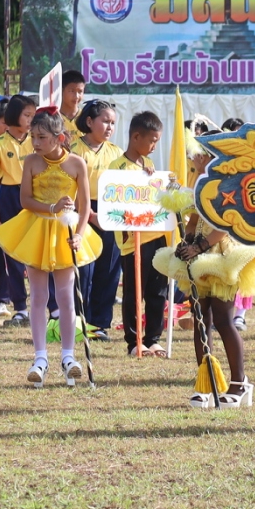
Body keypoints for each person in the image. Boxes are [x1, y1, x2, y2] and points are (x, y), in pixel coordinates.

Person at [0, 111, 98, 385]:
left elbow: (85, 205)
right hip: (37, 229)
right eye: (33, 137)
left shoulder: (77, 163)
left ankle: (68, 356)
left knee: (66, 296)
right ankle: (40, 358)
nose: (35, 142)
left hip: (65, 232)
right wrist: (52, 207)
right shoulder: (31, 161)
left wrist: (79, 235)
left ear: (59, 138)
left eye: (41, 137)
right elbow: (25, 200)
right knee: (38, 295)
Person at [156, 209, 255, 408]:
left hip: (224, 256)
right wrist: (187, 240)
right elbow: (193, 220)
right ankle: (206, 383)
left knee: (223, 320)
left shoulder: (223, 188)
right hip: (198, 257)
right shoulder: (198, 190)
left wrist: (200, 246)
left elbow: (227, 223)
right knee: (201, 320)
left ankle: (239, 382)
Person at [110, 111, 172, 356]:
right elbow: (113, 202)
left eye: (157, 141)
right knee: (134, 292)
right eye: (152, 140)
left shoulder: (150, 166)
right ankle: (134, 341)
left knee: (158, 290)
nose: (155, 146)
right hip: (132, 240)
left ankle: (153, 338)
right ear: (136, 137)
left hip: (156, 235)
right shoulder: (117, 167)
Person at [0, 96, 34, 327]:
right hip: (9, 197)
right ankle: (20, 308)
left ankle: (48, 306)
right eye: (26, 115)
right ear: (13, 116)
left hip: (34, 197)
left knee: (37, 254)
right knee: (12, 256)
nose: (31, 120)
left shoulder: (37, 140)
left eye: (33, 116)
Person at [72, 99, 125, 339]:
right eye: (105, 121)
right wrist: (89, 214)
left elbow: (129, 180)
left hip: (110, 212)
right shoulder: (74, 150)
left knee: (109, 268)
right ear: (89, 121)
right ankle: (79, 321)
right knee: (84, 269)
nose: (109, 127)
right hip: (81, 211)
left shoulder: (117, 152)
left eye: (113, 122)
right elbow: (68, 186)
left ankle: (100, 324)